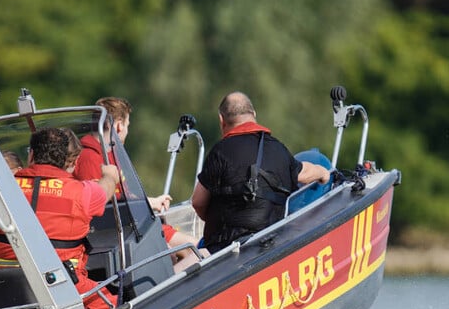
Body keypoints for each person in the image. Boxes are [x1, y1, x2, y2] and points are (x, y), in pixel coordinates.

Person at [0, 127, 120, 309]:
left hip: (6, 289)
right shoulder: (81, 192)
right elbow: (105, 191)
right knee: (115, 305)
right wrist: (110, 176)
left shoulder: (0, 191)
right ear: (70, 161)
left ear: (32, 154)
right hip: (62, 286)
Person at [73, 96, 204, 272]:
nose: (126, 131)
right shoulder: (90, 158)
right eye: (127, 126)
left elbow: (122, 196)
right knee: (192, 249)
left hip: (132, 227)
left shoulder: (110, 154)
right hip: (118, 234)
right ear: (119, 125)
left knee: (195, 246)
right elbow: (100, 208)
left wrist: (150, 203)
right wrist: (149, 203)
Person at [191, 91, 331, 253]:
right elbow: (304, 173)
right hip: (268, 245)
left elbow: (198, 202)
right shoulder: (279, 149)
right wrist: (323, 173)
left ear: (221, 120)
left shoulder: (219, 152)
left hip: (223, 250)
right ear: (254, 114)